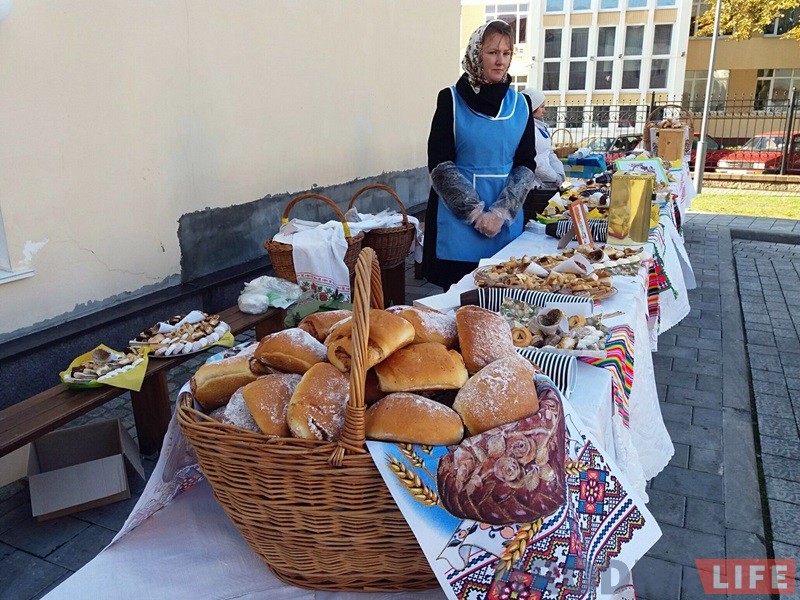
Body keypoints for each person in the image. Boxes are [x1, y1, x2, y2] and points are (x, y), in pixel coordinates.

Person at [422, 19, 536, 291]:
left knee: (502, 297)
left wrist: (499, 213)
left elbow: (525, 164)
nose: (500, 61)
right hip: (457, 223)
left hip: (504, 224)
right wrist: (475, 214)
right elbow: (440, 164)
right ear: (476, 54)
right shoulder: (450, 99)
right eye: (492, 52)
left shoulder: (521, 105)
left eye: (506, 53)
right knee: (456, 304)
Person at [520, 88, 565, 220]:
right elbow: (536, 162)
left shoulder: (540, 127)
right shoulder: (529, 130)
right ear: (532, 107)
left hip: (545, 185)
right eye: (542, 107)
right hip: (533, 190)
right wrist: (554, 177)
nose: (544, 111)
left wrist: (559, 173)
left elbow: (549, 152)